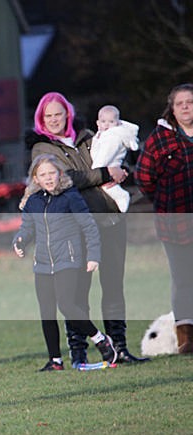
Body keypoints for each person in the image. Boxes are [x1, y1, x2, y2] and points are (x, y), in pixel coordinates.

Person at [25, 92, 148, 364]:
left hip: (110, 217)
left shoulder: (88, 136)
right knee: (78, 293)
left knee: (114, 285)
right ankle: (78, 352)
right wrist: (104, 174)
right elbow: (65, 178)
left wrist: (119, 169)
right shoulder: (42, 148)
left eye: (59, 114)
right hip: (75, 229)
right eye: (49, 116)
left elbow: (113, 156)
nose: (55, 120)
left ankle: (120, 348)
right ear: (41, 119)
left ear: (67, 114)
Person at [14, 154, 118, 370]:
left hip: (68, 260)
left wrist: (93, 256)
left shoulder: (70, 196)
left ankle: (100, 339)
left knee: (67, 305)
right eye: (43, 175)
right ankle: (55, 361)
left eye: (52, 173)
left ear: (59, 174)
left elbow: (89, 226)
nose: (49, 178)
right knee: (47, 311)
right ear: (36, 178)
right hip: (42, 263)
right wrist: (20, 241)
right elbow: (27, 228)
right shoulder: (33, 201)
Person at [134, 83, 193, 354]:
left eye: (190, 102)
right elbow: (144, 178)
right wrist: (165, 199)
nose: (185, 107)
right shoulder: (160, 139)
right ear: (172, 108)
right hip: (175, 222)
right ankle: (186, 337)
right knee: (182, 279)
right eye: (179, 103)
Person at [90, 104, 139, 213]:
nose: (107, 124)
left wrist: (97, 170)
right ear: (98, 122)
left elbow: (106, 155)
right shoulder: (101, 134)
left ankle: (122, 196)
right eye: (103, 121)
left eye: (111, 122)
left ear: (117, 123)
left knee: (108, 187)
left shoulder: (112, 137)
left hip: (108, 166)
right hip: (107, 168)